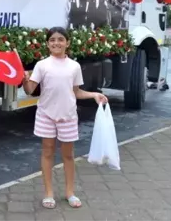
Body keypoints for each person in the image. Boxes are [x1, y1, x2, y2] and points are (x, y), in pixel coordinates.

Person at [22, 27, 108, 209]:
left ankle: (70, 192)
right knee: (47, 152)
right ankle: (48, 193)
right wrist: (24, 80)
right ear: (47, 44)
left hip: (68, 116)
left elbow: (76, 92)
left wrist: (94, 95)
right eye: (52, 40)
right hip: (46, 115)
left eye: (61, 39)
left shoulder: (74, 66)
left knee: (68, 155)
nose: (56, 43)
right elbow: (30, 91)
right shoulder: (42, 65)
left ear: (67, 43)